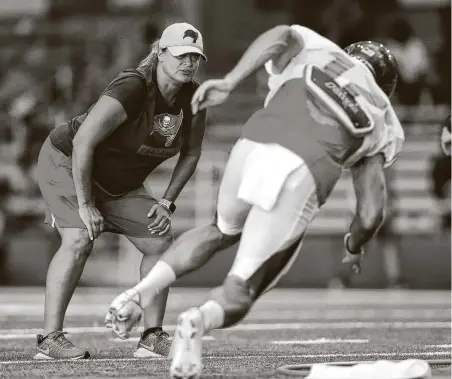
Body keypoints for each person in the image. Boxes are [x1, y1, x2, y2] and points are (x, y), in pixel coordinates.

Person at [105, 25, 404, 378]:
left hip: (253, 145)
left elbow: (280, 35)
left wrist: (230, 81)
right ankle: (198, 321)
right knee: (245, 285)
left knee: (219, 228)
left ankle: (138, 293)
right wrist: (354, 245)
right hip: (302, 169)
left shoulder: (322, 49)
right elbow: (371, 213)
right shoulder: (385, 117)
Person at [33, 22, 207, 360]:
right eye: (181, 54)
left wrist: (167, 202)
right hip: (67, 163)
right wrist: (86, 205)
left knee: (159, 241)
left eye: (195, 57)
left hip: (119, 183)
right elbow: (83, 142)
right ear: (160, 54)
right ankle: (49, 340)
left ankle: (152, 337)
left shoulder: (193, 98)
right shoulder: (133, 86)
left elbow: (192, 152)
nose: (188, 62)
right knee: (80, 238)